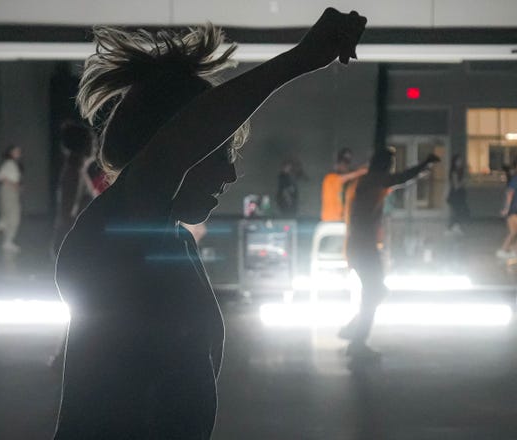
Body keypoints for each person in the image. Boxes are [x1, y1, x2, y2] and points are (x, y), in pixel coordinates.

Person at [52, 9, 366, 439]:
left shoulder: (173, 240)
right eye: (219, 154)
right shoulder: (119, 230)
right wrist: (300, 59)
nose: (231, 175)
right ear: (176, 148)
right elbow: (182, 139)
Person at [339, 148, 440, 359]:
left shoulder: (367, 181)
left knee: (376, 291)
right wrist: (425, 164)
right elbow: (402, 178)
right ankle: (357, 341)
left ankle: (354, 332)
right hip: (363, 247)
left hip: (360, 246)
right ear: (384, 166)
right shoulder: (374, 181)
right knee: (376, 291)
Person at [52, 121, 95, 257]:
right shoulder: (74, 174)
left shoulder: (78, 172)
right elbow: (67, 216)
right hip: (73, 249)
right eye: (92, 142)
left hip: (75, 246)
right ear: (83, 146)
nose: (95, 147)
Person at [320, 147, 367, 222]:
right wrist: (361, 172)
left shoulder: (347, 183)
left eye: (347, 164)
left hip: (342, 220)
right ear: (337, 164)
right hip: (330, 221)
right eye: (343, 163)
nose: (345, 166)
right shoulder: (329, 178)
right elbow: (343, 178)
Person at [446, 154, 470, 234]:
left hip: (460, 195)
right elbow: (456, 185)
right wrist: (463, 182)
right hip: (456, 195)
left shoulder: (460, 171)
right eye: (459, 161)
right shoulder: (454, 172)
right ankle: (451, 228)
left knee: (458, 211)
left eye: (461, 161)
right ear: (455, 162)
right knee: (456, 212)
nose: (460, 162)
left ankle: (455, 227)